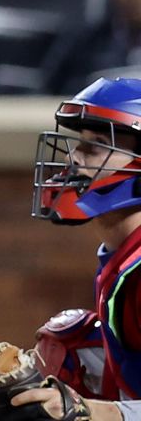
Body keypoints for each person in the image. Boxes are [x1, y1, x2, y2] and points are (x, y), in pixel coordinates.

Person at [14, 77, 141, 420]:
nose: (75, 158)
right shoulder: (126, 251)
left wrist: (88, 411)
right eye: (79, 143)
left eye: (97, 145)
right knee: (66, 347)